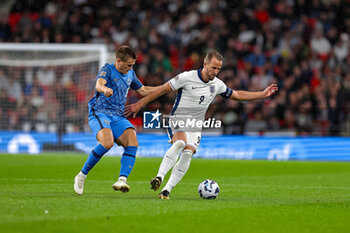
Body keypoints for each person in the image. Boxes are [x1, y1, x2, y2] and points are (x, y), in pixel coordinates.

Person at [125, 51, 278, 199]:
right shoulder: (186, 77)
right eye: (213, 68)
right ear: (205, 64)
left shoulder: (217, 84)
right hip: (178, 119)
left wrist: (262, 94)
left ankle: (166, 190)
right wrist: (139, 104)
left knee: (187, 153)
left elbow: (237, 94)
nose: (216, 71)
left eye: (218, 69)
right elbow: (162, 90)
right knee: (179, 143)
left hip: (196, 125)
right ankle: (159, 177)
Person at [74, 45, 158, 195]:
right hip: (100, 113)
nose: (131, 68)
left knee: (133, 141)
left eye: (133, 65)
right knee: (107, 142)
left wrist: (165, 87)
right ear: (118, 60)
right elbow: (99, 84)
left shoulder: (130, 73)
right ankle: (82, 175)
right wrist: (105, 90)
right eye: (128, 65)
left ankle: (122, 180)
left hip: (118, 115)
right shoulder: (107, 70)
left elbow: (142, 90)